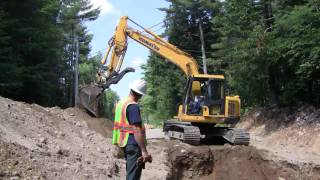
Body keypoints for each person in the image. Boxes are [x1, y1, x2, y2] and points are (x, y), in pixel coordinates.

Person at [112, 79, 152, 180]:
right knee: (133, 176)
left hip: (124, 143)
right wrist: (144, 151)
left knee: (130, 172)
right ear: (140, 94)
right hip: (134, 145)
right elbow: (137, 130)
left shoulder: (121, 103)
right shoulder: (133, 106)